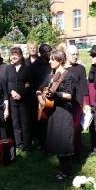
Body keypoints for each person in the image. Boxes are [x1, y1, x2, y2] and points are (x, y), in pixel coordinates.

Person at [37, 49, 76, 180]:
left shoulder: (67, 75)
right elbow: (40, 88)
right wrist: (40, 98)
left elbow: (69, 95)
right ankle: (62, 167)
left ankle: (66, 171)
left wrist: (56, 94)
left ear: (60, 60)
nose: (50, 61)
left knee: (64, 140)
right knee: (57, 140)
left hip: (64, 112)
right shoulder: (50, 75)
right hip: (52, 111)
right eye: (50, 59)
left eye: (52, 59)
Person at [5, 46, 33, 153]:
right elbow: (5, 83)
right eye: (12, 54)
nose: (13, 56)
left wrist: (21, 94)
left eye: (16, 54)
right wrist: (11, 92)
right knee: (15, 123)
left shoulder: (27, 69)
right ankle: (19, 144)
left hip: (24, 100)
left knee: (25, 123)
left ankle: (27, 145)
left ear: (21, 56)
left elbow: (30, 84)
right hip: (12, 100)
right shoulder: (8, 68)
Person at [66, 45, 89, 157]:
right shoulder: (62, 68)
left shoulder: (81, 68)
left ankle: (77, 152)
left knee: (76, 128)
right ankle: (67, 151)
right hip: (65, 103)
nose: (75, 56)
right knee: (66, 128)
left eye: (76, 54)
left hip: (77, 103)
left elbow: (84, 87)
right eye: (72, 54)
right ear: (67, 55)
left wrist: (86, 103)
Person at [30, 44, 53, 149]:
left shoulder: (52, 63)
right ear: (41, 53)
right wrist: (39, 95)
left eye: (50, 51)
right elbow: (31, 82)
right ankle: (41, 142)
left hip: (51, 94)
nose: (49, 53)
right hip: (38, 95)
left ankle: (51, 140)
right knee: (41, 120)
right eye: (47, 52)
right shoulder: (34, 66)